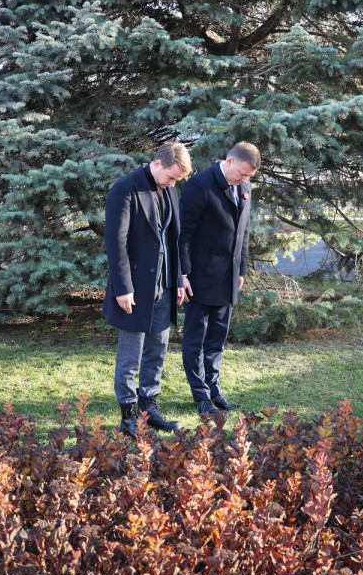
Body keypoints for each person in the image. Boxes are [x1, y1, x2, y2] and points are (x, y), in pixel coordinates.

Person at [104, 141, 193, 437]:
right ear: (157, 164)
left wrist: (178, 279)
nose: (173, 183)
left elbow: (174, 240)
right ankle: (129, 416)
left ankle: (149, 409)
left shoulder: (169, 189)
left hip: (166, 286)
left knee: (157, 351)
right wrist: (123, 288)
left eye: (177, 179)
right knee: (131, 357)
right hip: (135, 289)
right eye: (171, 176)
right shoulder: (124, 189)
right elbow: (116, 242)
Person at [178, 141, 260, 415]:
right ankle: (200, 396)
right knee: (196, 340)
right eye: (243, 173)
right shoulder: (200, 185)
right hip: (199, 278)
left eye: (249, 176)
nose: (244, 180)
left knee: (216, 340)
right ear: (229, 161)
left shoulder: (245, 186)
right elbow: (183, 235)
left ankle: (214, 390)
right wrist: (183, 273)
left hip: (228, 278)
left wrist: (242, 269)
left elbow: (244, 232)